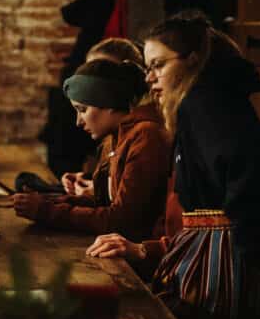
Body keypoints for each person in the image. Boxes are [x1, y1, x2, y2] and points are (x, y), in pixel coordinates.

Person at [88, 15, 260, 319]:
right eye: (148, 68)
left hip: (225, 260)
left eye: (159, 65)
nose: (150, 79)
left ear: (194, 59)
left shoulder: (205, 104)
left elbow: (247, 172)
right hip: (214, 250)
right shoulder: (201, 105)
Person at [12, 59, 169, 241]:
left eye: (83, 109)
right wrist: (51, 201)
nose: (78, 121)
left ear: (109, 103)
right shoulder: (115, 137)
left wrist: (46, 211)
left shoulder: (145, 136)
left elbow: (122, 221)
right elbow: (105, 202)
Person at [61, 38, 147, 200]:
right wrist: (87, 180)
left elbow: (124, 211)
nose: (91, 74)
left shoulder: (144, 133)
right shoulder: (110, 135)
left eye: (103, 69)